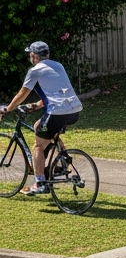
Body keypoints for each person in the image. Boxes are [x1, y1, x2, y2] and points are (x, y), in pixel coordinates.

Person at [0, 41, 82, 196]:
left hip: (57, 112)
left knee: (38, 145)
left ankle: (40, 183)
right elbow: (56, 94)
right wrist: (36, 106)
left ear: (33, 55)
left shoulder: (35, 71)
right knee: (40, 126)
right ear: (47, 54)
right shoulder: (58, 66)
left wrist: (7, 109)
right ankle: (63, 159)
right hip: (74, 110)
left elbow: (21, 94)